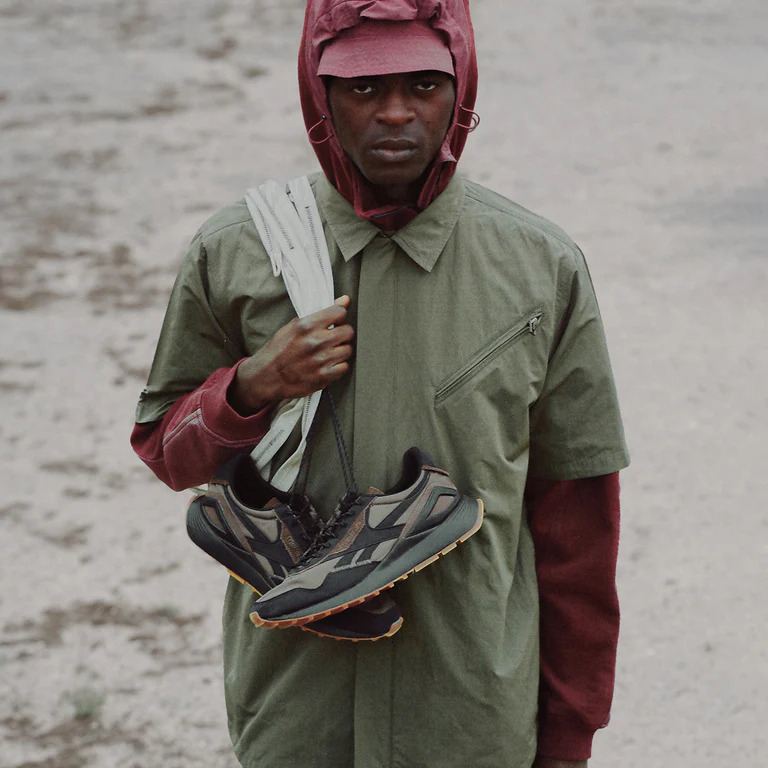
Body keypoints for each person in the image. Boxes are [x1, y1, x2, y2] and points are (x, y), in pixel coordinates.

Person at [131, 1, 629, 766]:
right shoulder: (236, 252)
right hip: (296, 707)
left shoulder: (539, 267)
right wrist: (252, 388)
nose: (395, 114)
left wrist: (567, 736)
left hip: (470, 714)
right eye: (363, 89)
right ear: (317, 92)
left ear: (461, 89)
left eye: (424, 85)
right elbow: (168, 452)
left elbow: (579, 527)